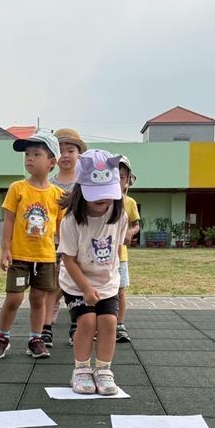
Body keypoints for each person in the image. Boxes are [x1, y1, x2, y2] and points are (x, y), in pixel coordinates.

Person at [0, 130, 63, 359]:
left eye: (36, 154)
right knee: (14, 298)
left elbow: (62, 228)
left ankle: (36, 339)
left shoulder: (58, 195)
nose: (29, 158)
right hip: (19, 256)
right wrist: (5, 249)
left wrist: (66, 255)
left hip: (46, 257)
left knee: (39, 299)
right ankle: (2, 337)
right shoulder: (17, 188)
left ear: (52, 162)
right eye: (27, 154)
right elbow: (9, 219)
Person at [58, 149, 128, 395]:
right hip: (76, 283)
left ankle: (104, 369)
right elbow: (68, 259)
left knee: (109, 322)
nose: (104, 200)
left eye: (108, 194)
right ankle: (81, 369)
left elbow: (117, 248)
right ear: (81, 190)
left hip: (106, 282)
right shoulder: (71, 221)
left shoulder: (119, 216)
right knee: (87, 321)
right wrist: (86, 288)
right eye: (96, 195)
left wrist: (111, 279)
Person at [41, 127, 87, 347]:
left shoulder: (86, 182)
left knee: (78, 285)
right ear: (53, 156)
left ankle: (76, 325)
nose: (66, 155)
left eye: (71, 150)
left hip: (81, 244)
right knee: (53, 285)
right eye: (61, 150)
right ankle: (46, 327)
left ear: (80, 154)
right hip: (54, 243)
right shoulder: (48, 184)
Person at [116, 155, 141, 344]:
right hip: (100, 256)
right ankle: (99, 324)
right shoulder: (99, 201)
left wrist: (130, 233)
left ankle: (119, 324)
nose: (117, 180)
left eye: (121, 177)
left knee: (120, 290)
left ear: (127, 180)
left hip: (120, 256)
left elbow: (136, 225)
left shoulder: (129, 202)